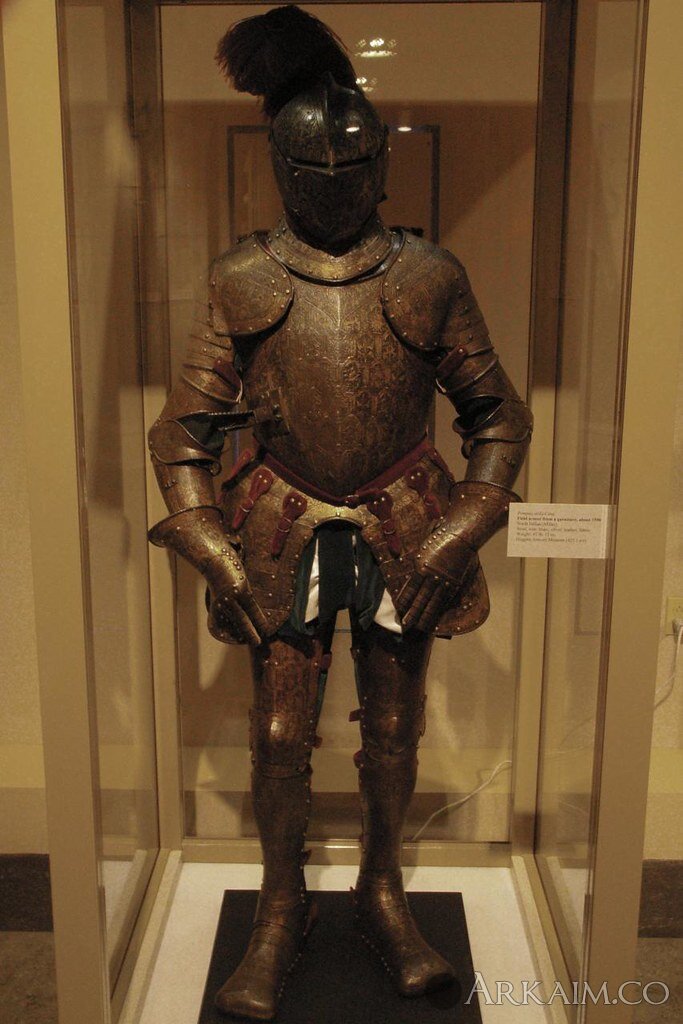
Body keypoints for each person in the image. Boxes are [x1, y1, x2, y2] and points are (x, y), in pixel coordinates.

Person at [148, 7, 532, 1021]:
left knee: (393, 728)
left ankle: (383, 891)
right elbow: (182, 433)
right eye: (311, 171)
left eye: (349, 168)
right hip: (278, 523)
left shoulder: (427, 275)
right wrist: (210, 545)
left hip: (408, 520)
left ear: (378, 165)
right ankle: (280, 908)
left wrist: (460, 527)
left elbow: (496, 415)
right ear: (280, 167)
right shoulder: (242, 277)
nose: (332, 185)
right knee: (280, 733)